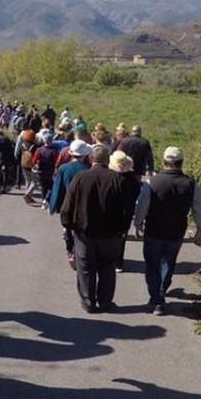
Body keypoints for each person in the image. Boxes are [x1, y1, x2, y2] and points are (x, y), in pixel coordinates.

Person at [134, 146, 201, 315]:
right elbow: (199, 210)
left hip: (154, 230)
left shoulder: (151, 183)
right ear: (181, 163)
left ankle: (156, 299)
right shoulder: (192, 185)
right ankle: (162, 289)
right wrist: (200, 231)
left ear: (164, 162)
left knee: (152, 265)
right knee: (169, 262)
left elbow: (142, 206)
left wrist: (138, 224)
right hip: (176, 232)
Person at [60, 144, 134, 313]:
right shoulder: (118, 180)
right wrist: (123, 230)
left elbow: (66, 208)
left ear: (91, 159)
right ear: (108, 160)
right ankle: (105, 301)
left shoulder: (80, 178)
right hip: (111, 234)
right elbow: (127, 209)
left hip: (84, 234)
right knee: (107, 268)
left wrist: (69, 227)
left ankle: (88, 302)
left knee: (85, 268)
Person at [48, 139, 92, 269]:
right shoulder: (88, 169)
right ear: (84, 155)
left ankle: (71, 252)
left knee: (67, 228)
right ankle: (79, 251)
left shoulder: (63, 168)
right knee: (81, 230)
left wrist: (53, 205)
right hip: (84, 205)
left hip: (67, 204)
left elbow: (57, 188)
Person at [108, 151, 142, 273]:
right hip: (126, 212)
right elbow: (137, 193)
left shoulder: (109, 177)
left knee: (107, 236)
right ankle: (119, 262)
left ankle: (108, 259)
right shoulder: (132, 179)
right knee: (121, 238)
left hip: (109, 211)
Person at [30, 129, 59, 208]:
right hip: (51, 171)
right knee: (51, 187)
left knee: (43, 187)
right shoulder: (55, 150)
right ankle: (47, 200)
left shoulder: (39, 150)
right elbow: (57, 162)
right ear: (51, 141)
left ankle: (43, 201)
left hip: (41, 171)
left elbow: (34, 160)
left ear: (44, 141)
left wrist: (35, 166)